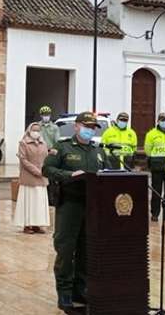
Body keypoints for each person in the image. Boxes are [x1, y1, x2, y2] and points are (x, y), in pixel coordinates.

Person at [43, 111, 109, 311]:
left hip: (91, 207)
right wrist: (71, 174)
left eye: (93, 128)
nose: (90, 131)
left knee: (86, 250)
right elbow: (47, 170)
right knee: (65, 249)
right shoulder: (62, 148)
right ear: (77, 126)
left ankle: (81, 289)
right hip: (70, 205)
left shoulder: (98, 151)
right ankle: (64, 292)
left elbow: (107, 173)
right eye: (87, 127)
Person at [14, 122, 50, 234]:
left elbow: (46, 157)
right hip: (29, 177)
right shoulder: (23, 143)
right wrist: (36, 171)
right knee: (28, 201)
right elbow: (23, 160)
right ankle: (27, 225)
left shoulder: (43, 143)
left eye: (38, 130)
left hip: (42, 177)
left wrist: (44, 170)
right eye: (34, 130)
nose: (36, 132)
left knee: (39, 202)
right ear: (29, 131)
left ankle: (37, 224)